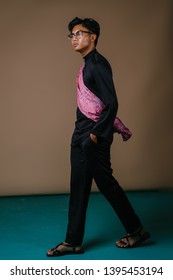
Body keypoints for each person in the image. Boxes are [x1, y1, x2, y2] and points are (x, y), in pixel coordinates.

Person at [47, 17, 150, 257]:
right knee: (79, 188)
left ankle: (136, 230)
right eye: (71, 35)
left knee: (107, 186)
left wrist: (94, 135)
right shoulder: (86, 64)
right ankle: (73, 241)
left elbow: (111, 103)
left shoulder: (97, 64)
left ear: (93, 36)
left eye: (79, 33)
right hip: (81, 135)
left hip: (92, 137)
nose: (74, 39)